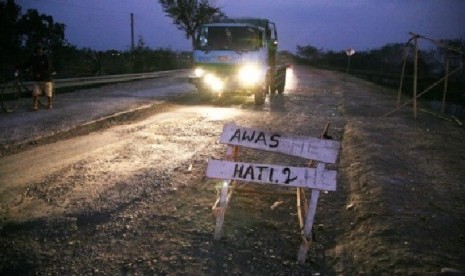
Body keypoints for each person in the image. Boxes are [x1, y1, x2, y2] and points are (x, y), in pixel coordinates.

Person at [18, 44, 54, 110]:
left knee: (48, 92)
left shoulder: (46, 57)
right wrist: (19, 67)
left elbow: (48, 68)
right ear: (36, 50)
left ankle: (49, 104)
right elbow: (27, 64)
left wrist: (41, 73)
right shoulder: (33, 57)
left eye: (41, 49)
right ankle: (35, 106)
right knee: (35, 92)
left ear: (42, 50)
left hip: (46, 78)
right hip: (36, 78)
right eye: (38, 49)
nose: (39, 50)